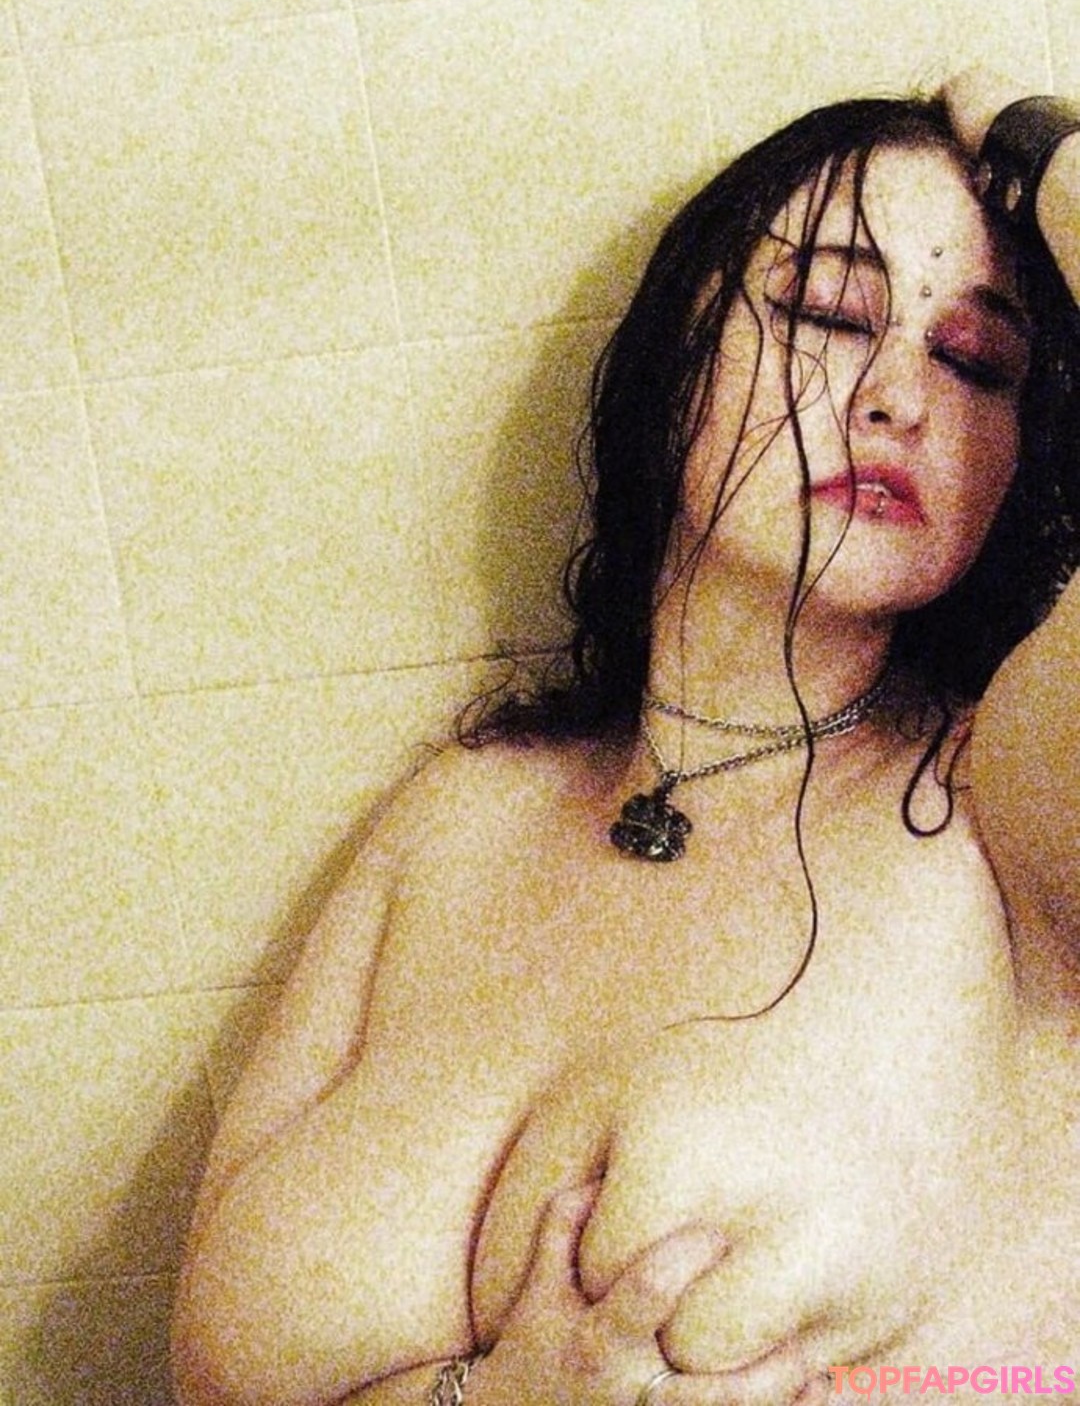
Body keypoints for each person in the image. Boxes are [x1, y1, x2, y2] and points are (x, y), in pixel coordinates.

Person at [171, 69, 1080, 1406]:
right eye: (830, 315)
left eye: (974, 363)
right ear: (675, 362)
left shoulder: (1007, 797)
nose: (902, 395)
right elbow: (214, 1374)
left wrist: (1027, 138)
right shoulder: (467, 806)